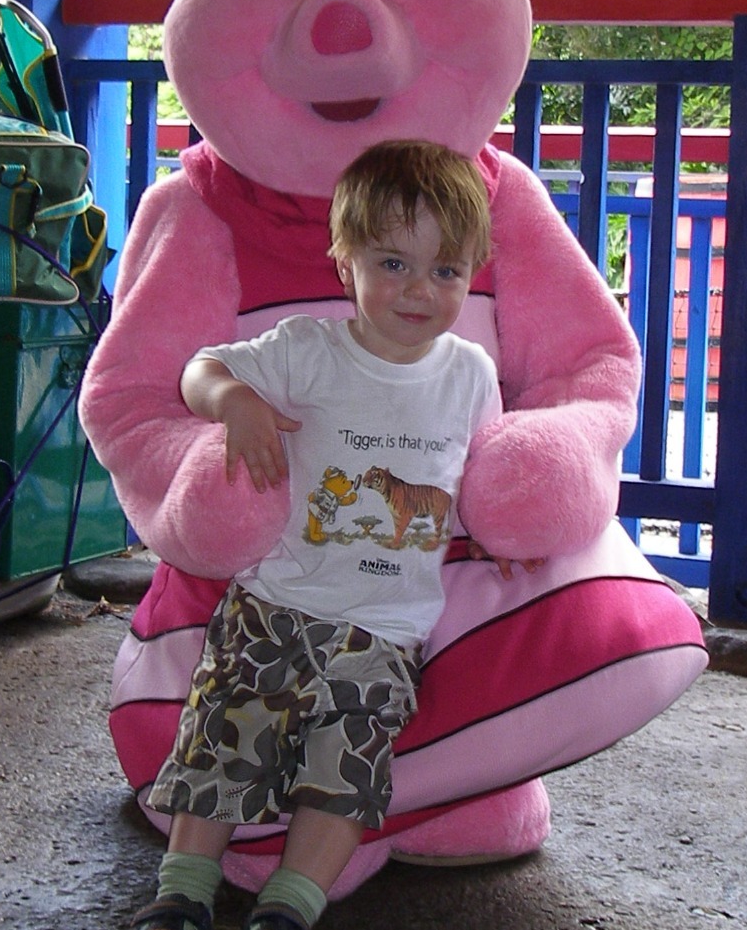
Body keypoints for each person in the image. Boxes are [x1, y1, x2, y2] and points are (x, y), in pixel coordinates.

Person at [134, 140, 506, 930]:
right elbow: (198, 369)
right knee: (222, 737)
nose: (419, 289)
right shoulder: (307, 349)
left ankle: (288, 905)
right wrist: (233, 399)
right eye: (393, 262)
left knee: (347, 769)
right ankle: (183, 891)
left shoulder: (470, 371)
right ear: (345, 260)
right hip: (276, 601)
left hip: (384, 628)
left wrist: (504, 531)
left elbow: (478, 471)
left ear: (473, 269)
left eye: (445, 270)